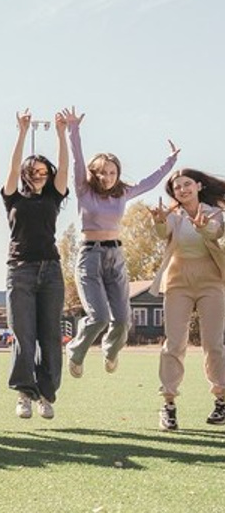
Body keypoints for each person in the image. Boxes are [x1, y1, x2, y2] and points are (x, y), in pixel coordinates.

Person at [66, 111, 177, 378]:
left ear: (118, 174)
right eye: (102, 172)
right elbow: (77, 160)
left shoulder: (123, 193)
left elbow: (150, 182)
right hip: (89, 257)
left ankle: (111, 351)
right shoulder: (84, 190)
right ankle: (76, 351)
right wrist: (73, 130)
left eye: (112, 172)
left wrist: (170, 161)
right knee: (99, 317)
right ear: (94, 174)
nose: (107, 176)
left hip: (115, 256)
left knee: (123, 319)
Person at [2, 109, 70, 419]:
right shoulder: (13, 197)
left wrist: (61, 134)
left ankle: (46, 394)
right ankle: (24, 393)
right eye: (33, 171)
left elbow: (64, 167)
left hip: (51, 271)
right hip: (20, 271)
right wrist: (21, 132)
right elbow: (14, 166)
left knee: (51, 337)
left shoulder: (54, 196)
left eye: (43, 171)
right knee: (24, 335)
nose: (38, 175)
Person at [149, 168, 225, 431]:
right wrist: (159, 222)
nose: (182, 189)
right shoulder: (173, 214)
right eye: (177, 187)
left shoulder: (213, 212)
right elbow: (162, 233)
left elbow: (215, 232)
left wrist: (204, 227)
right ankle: (168, 405)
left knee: (213, 343)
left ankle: (221, 399)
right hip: (178, 282)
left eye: (187, 184)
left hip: (211, 281)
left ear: (199, 186)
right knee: (174, 344)